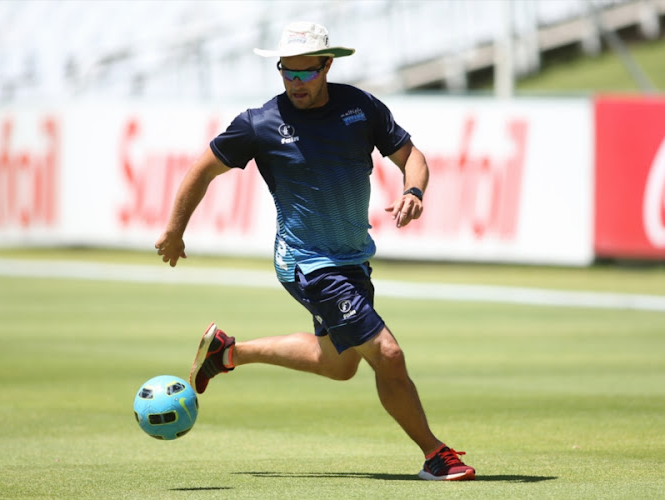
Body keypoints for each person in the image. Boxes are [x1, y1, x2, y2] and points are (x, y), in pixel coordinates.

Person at [155, 21, 475, 481]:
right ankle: (435, 454)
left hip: (351, 258)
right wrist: (174, 231)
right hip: (306, 263)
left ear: (327, 66)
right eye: (287, 72)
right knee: (387, 354)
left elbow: (412, 157)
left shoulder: (360, 108)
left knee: (339, 364)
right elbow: (201, 170)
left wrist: (415, 191)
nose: (295, 83)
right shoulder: (258, 123)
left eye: (305, 73)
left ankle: (228, 353)